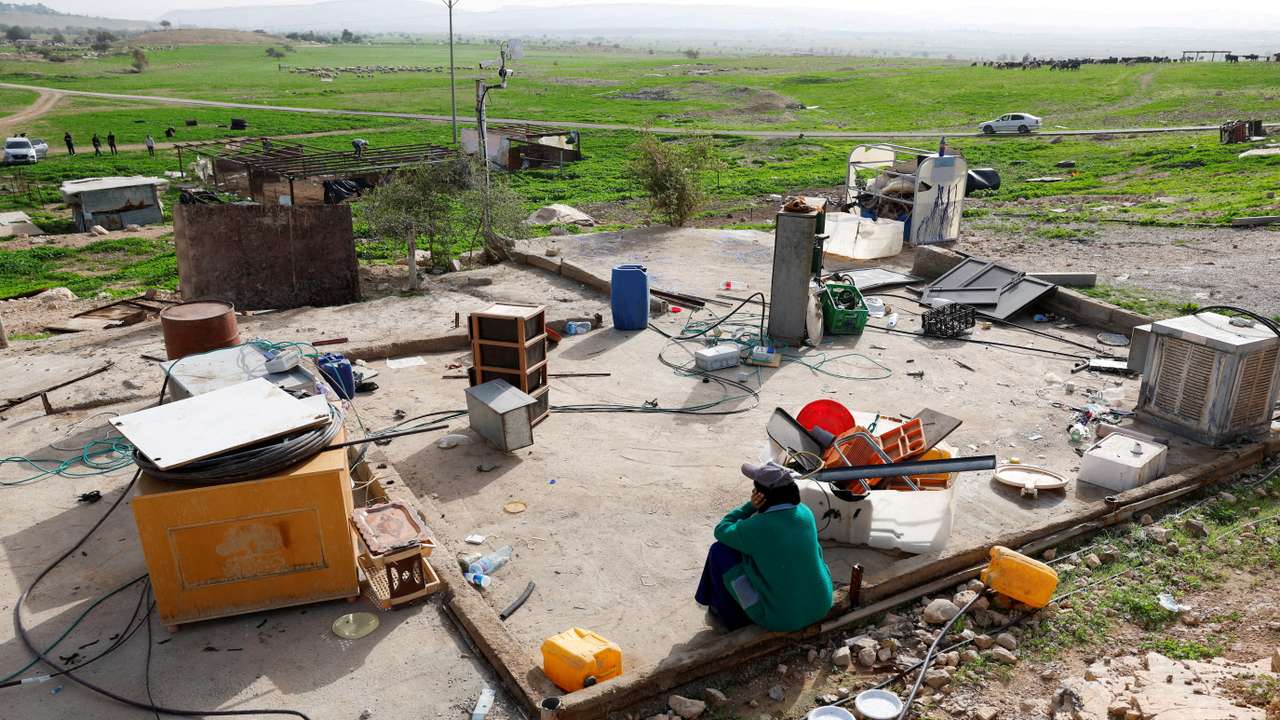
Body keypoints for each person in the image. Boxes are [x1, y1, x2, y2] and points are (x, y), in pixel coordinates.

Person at [696, 462, 833, 632]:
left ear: (761, 496)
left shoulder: (755, 527)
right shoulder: (805, 513)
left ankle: (731, 618)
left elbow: (721, 529)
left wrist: (750, 506)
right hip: (822, 604)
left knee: (720, 551)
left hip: (783, 620)